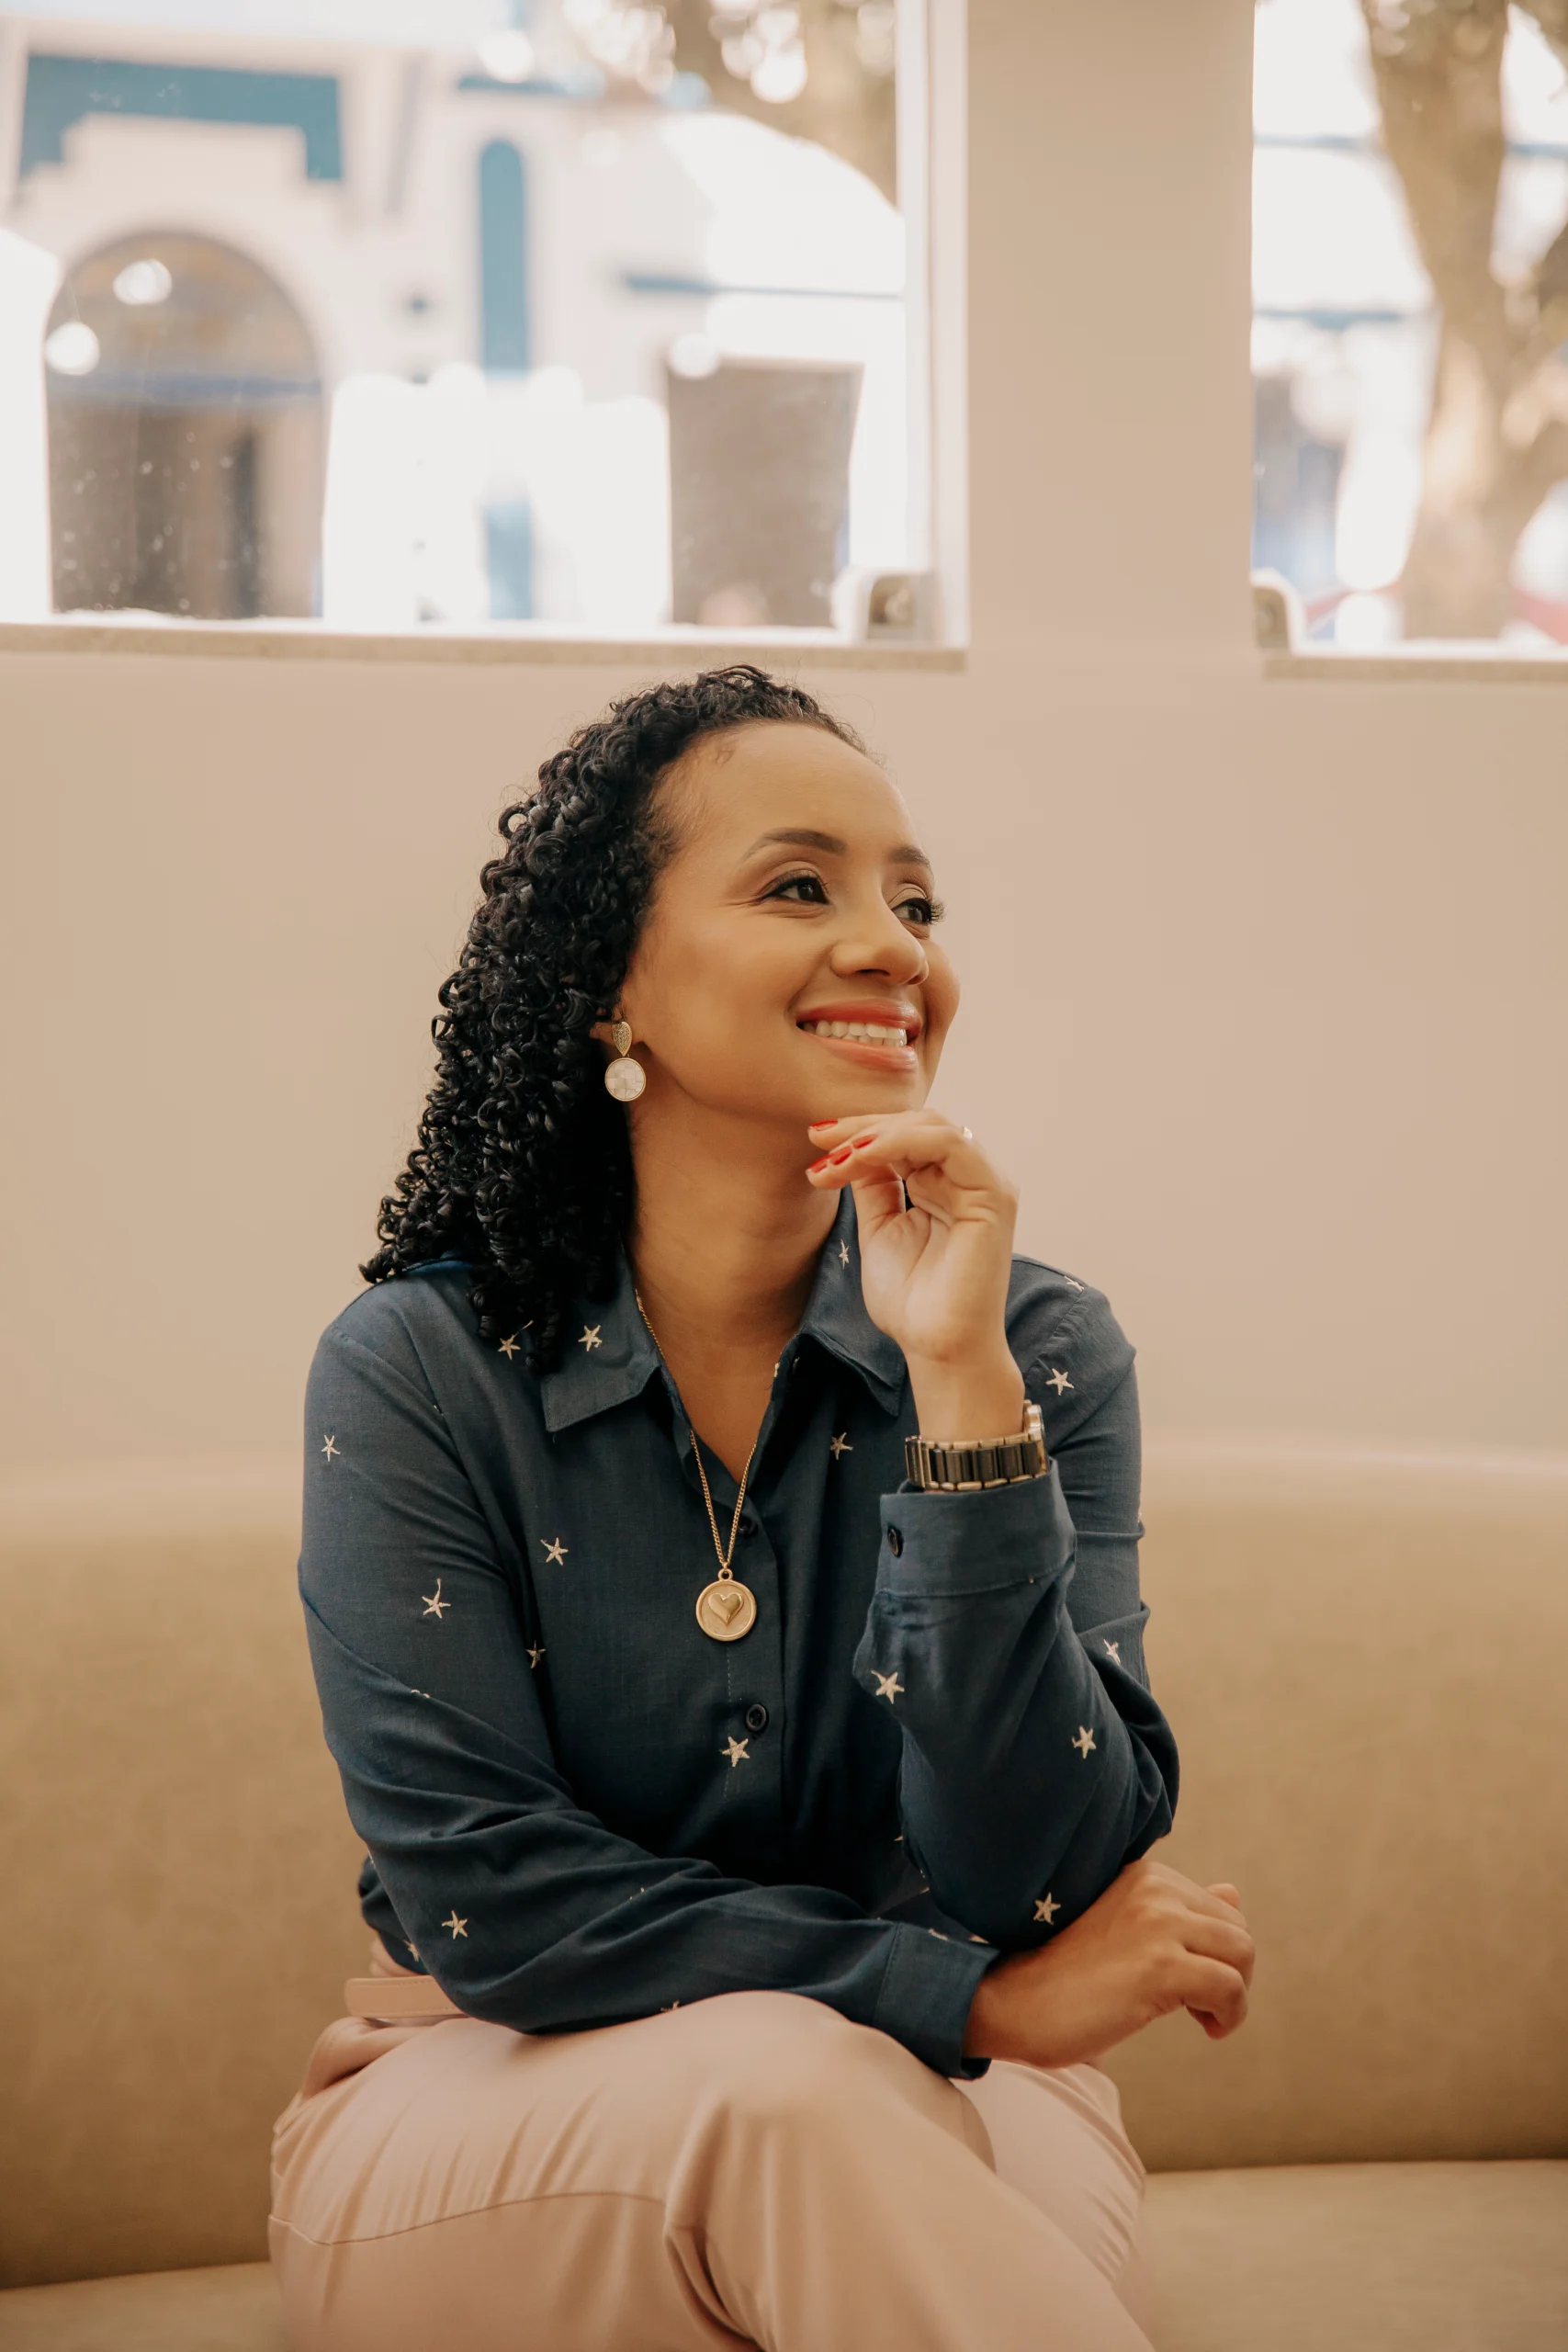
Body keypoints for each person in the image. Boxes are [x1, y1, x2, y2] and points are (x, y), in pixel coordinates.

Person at [270, 666, 1254, 2352]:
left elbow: (1041, 1873)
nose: (890, 946)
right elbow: (492, 1894)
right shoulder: (421, 1370)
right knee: (793, 2088)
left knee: (846, 2122)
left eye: (915, 902)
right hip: (495, 2084)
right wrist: (972, 1994)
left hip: (963, 2086)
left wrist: (957, 1388)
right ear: (611, 986)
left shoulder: (1031, 1346)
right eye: (800, 886)